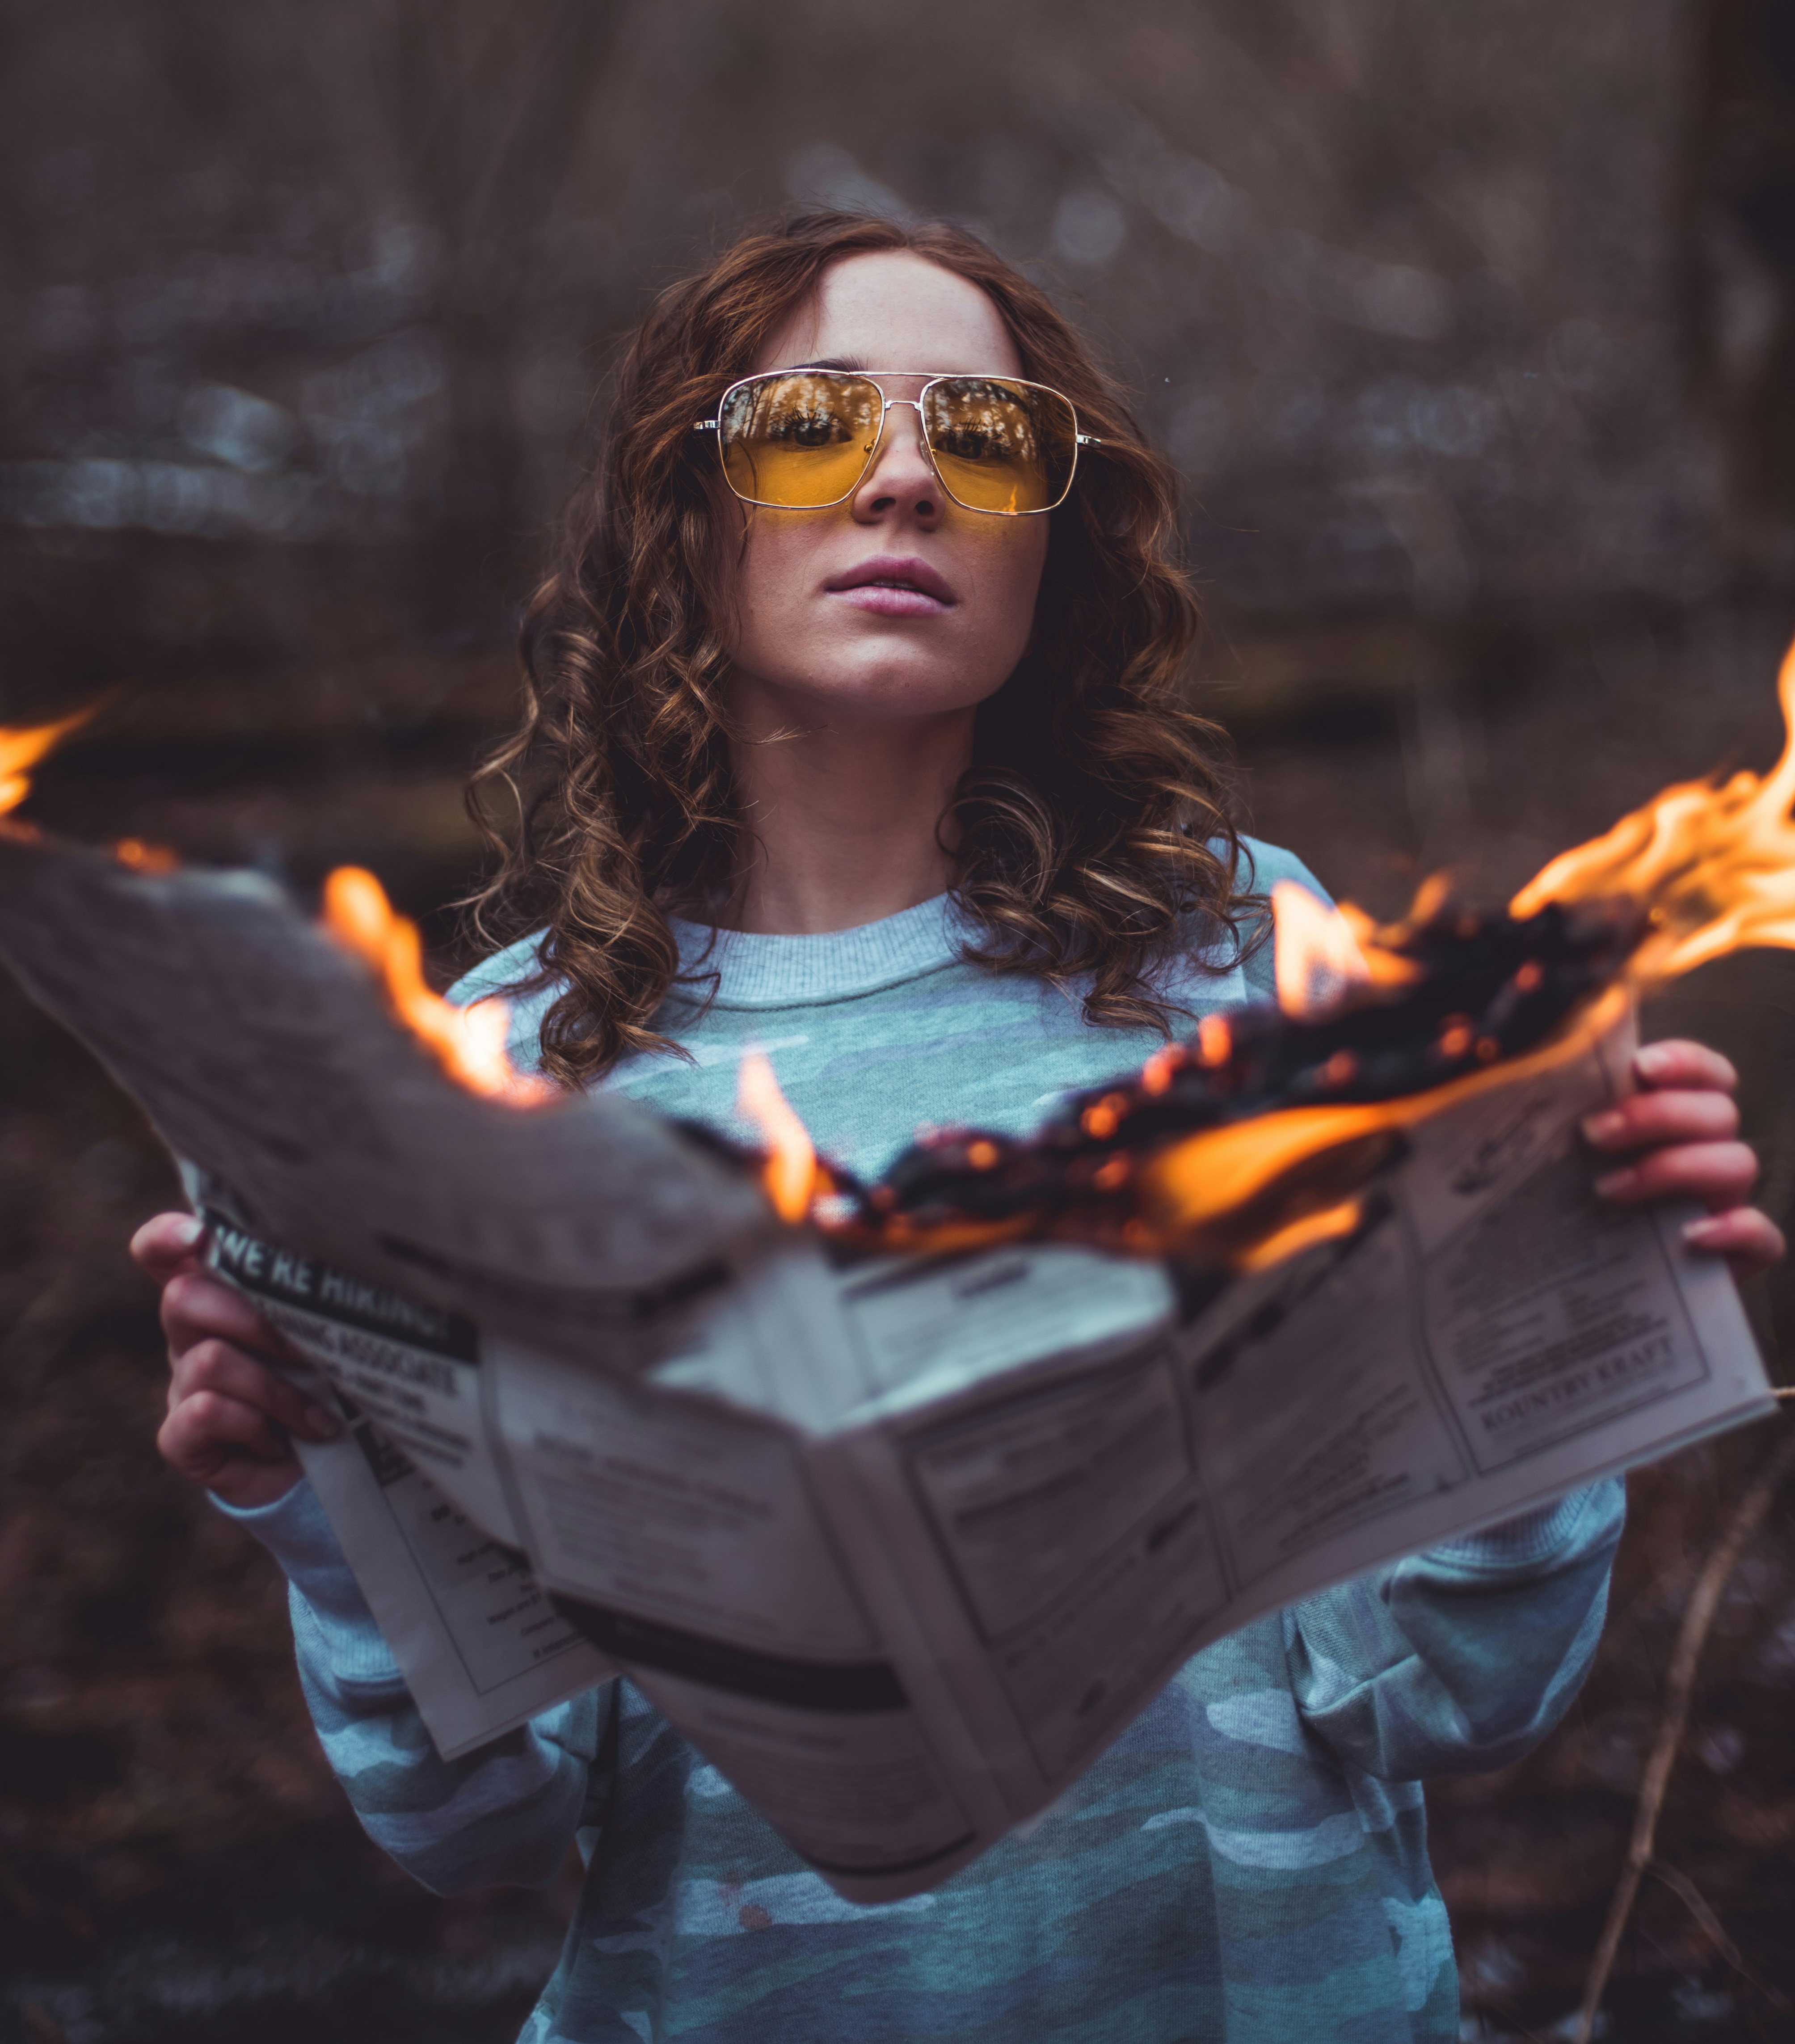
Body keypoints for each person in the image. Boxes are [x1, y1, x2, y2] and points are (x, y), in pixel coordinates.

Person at [135, 213, 1783, 2044]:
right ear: (682, 515)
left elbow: (1451, 1700)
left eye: (984, 435)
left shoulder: (1262, 972)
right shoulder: (492, 1081)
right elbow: (484, 1829)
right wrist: (320, 1510)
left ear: (1046, 547)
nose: (906, 476)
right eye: (809, 424)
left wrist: (1553, 1302)